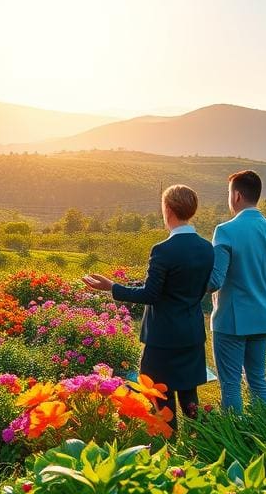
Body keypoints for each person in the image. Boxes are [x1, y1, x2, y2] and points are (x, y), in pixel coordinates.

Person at [83, 184, 214, 429]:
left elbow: (151, 294)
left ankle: (168, 447)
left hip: (163, 338)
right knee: (190, 398)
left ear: (168, 210)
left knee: (158, 397)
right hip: (191, 333)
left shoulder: (163, 250)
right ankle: (202, 447)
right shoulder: (206, 248)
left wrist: (112, 287)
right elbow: (186, 286)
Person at [208, 170, 266, 413]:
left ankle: (235, 439)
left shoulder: (225, 231)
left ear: (236, 196)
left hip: (230, 318)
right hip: (264, 315)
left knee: (231, 385)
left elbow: (215, 280)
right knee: (258, 380)